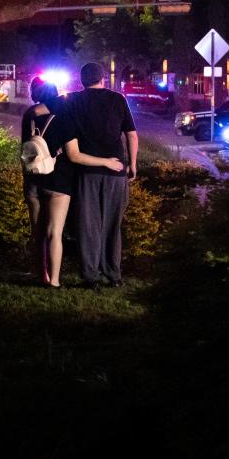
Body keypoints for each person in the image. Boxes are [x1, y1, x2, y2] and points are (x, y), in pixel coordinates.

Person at [21, 78, 123, 288]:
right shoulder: (66, 117)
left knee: (37, 233)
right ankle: (55, 281)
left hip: (32, 178)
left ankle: (41, 275)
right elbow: (74, 155)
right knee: (54, 233)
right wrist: (107, 162)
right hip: (59, 180)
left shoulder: (28, 115)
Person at [65, 63, 139, 289]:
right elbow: (132, 135)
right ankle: (113, 274)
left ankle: (91, 276)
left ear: (82, 80)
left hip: (87, 172)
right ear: (103, 79)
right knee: (113, 224)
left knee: (89, 225)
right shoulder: (118, 99)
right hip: (116, 171)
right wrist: (132, 164)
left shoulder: (74, 102)